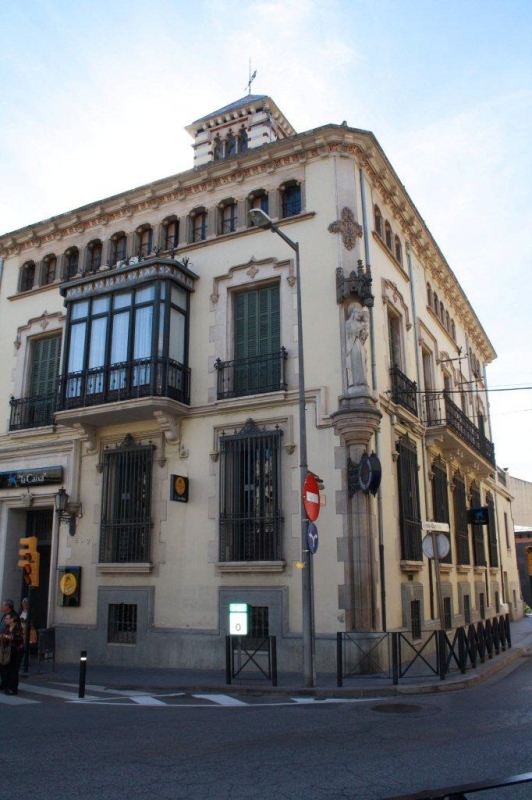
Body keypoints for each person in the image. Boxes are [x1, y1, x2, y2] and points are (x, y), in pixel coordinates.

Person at [344, 303, 369, 390]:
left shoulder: (361, 324)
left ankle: (362, 381)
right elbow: (350, 334)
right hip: (353, 345)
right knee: (355, 362)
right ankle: (355, 381)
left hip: (360, 345)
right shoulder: (349, 323)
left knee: (362, 362)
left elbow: (363, 338)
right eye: (358, 313)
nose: (359, 316)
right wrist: (360, 329)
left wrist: (364, 333)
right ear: (353, 314)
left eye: (361, 314)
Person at [0, 612, 24, 695]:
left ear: (13, 619)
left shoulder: (18, 627)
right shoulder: (7, 627)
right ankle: (6, 685)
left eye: (7, 618)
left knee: (14, 670)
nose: (5, 620)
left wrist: (4, 636)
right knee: (6, 668)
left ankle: (13, 689)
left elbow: (16, 637)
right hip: (9, 651)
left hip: (17, 651)